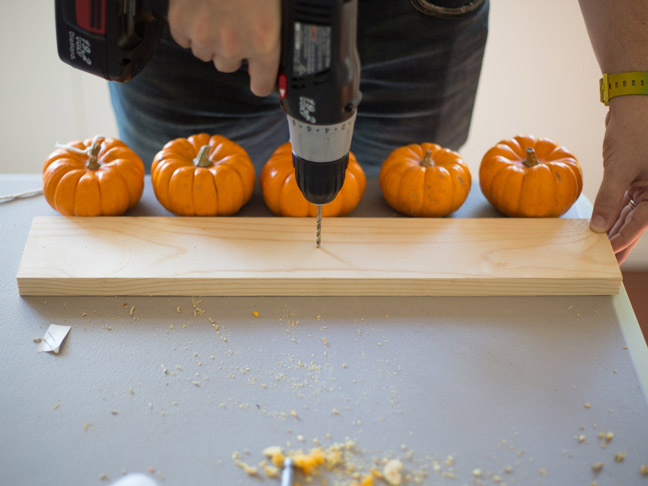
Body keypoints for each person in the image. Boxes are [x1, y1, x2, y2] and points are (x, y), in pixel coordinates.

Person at [109, 0, 647, 264]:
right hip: (193, 20)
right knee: (198, 242)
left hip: (420, 19)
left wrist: (639, 82)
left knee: (404, 229)